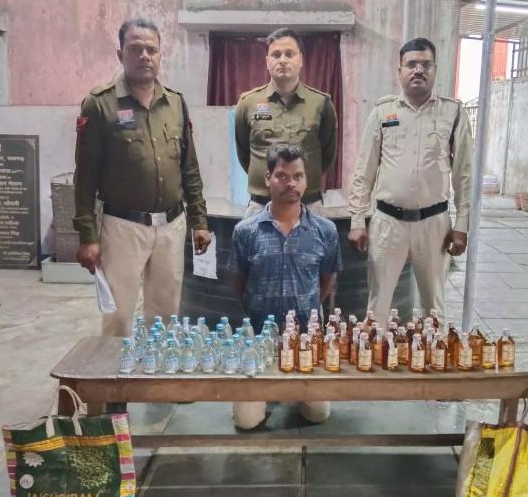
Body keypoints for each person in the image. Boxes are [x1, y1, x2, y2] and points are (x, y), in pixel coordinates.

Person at [73, 18, 211, 337]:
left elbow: (189, 168)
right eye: (135, 49)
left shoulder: (175, 103)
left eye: (151, 49)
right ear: (120, 54)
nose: (144, 56)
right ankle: (114, 368)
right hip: (123, 228)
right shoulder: (100, 104)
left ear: (161, 55)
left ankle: (155, 367)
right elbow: (85, 177)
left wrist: (200, 221)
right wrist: (87, 236)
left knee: (165, 313)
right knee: (118, 313)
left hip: (172, 227)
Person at [347, 37, 473, 327]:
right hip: (387, 224)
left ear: (435, 70)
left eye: (425, 64)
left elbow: (464, 175)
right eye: (411, 64)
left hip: (434, 225)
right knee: (378, 307)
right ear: (400, 71)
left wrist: (462, 226)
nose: (418, 70)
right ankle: (375, 353)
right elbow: (364, 171)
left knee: (433, 309)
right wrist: (357, 220)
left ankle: (433, 355)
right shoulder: (383, 112)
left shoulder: (453, 113)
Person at [229, 143, 342, 430]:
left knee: (317, 413)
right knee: (246, 421)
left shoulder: (325, 231)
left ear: (305, 180)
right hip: (259, 341)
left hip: (305, 340)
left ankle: (293, 388)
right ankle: (266, 389)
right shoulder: (246, 231)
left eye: (298, 176)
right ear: (268, 178)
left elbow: (327, 278)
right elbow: (239, 281)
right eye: (282, 176)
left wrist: (309, 308)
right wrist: (257, 309)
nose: (290, 183)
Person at [234, 28, 338, 219]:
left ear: (301, 60)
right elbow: (244, 153)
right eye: (276, 55)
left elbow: (327, 155)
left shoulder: (321, 104)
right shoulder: (248, 103)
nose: (282, 60)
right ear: (267, 61)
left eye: (289, 54)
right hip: (261, 206)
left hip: (308, 205)